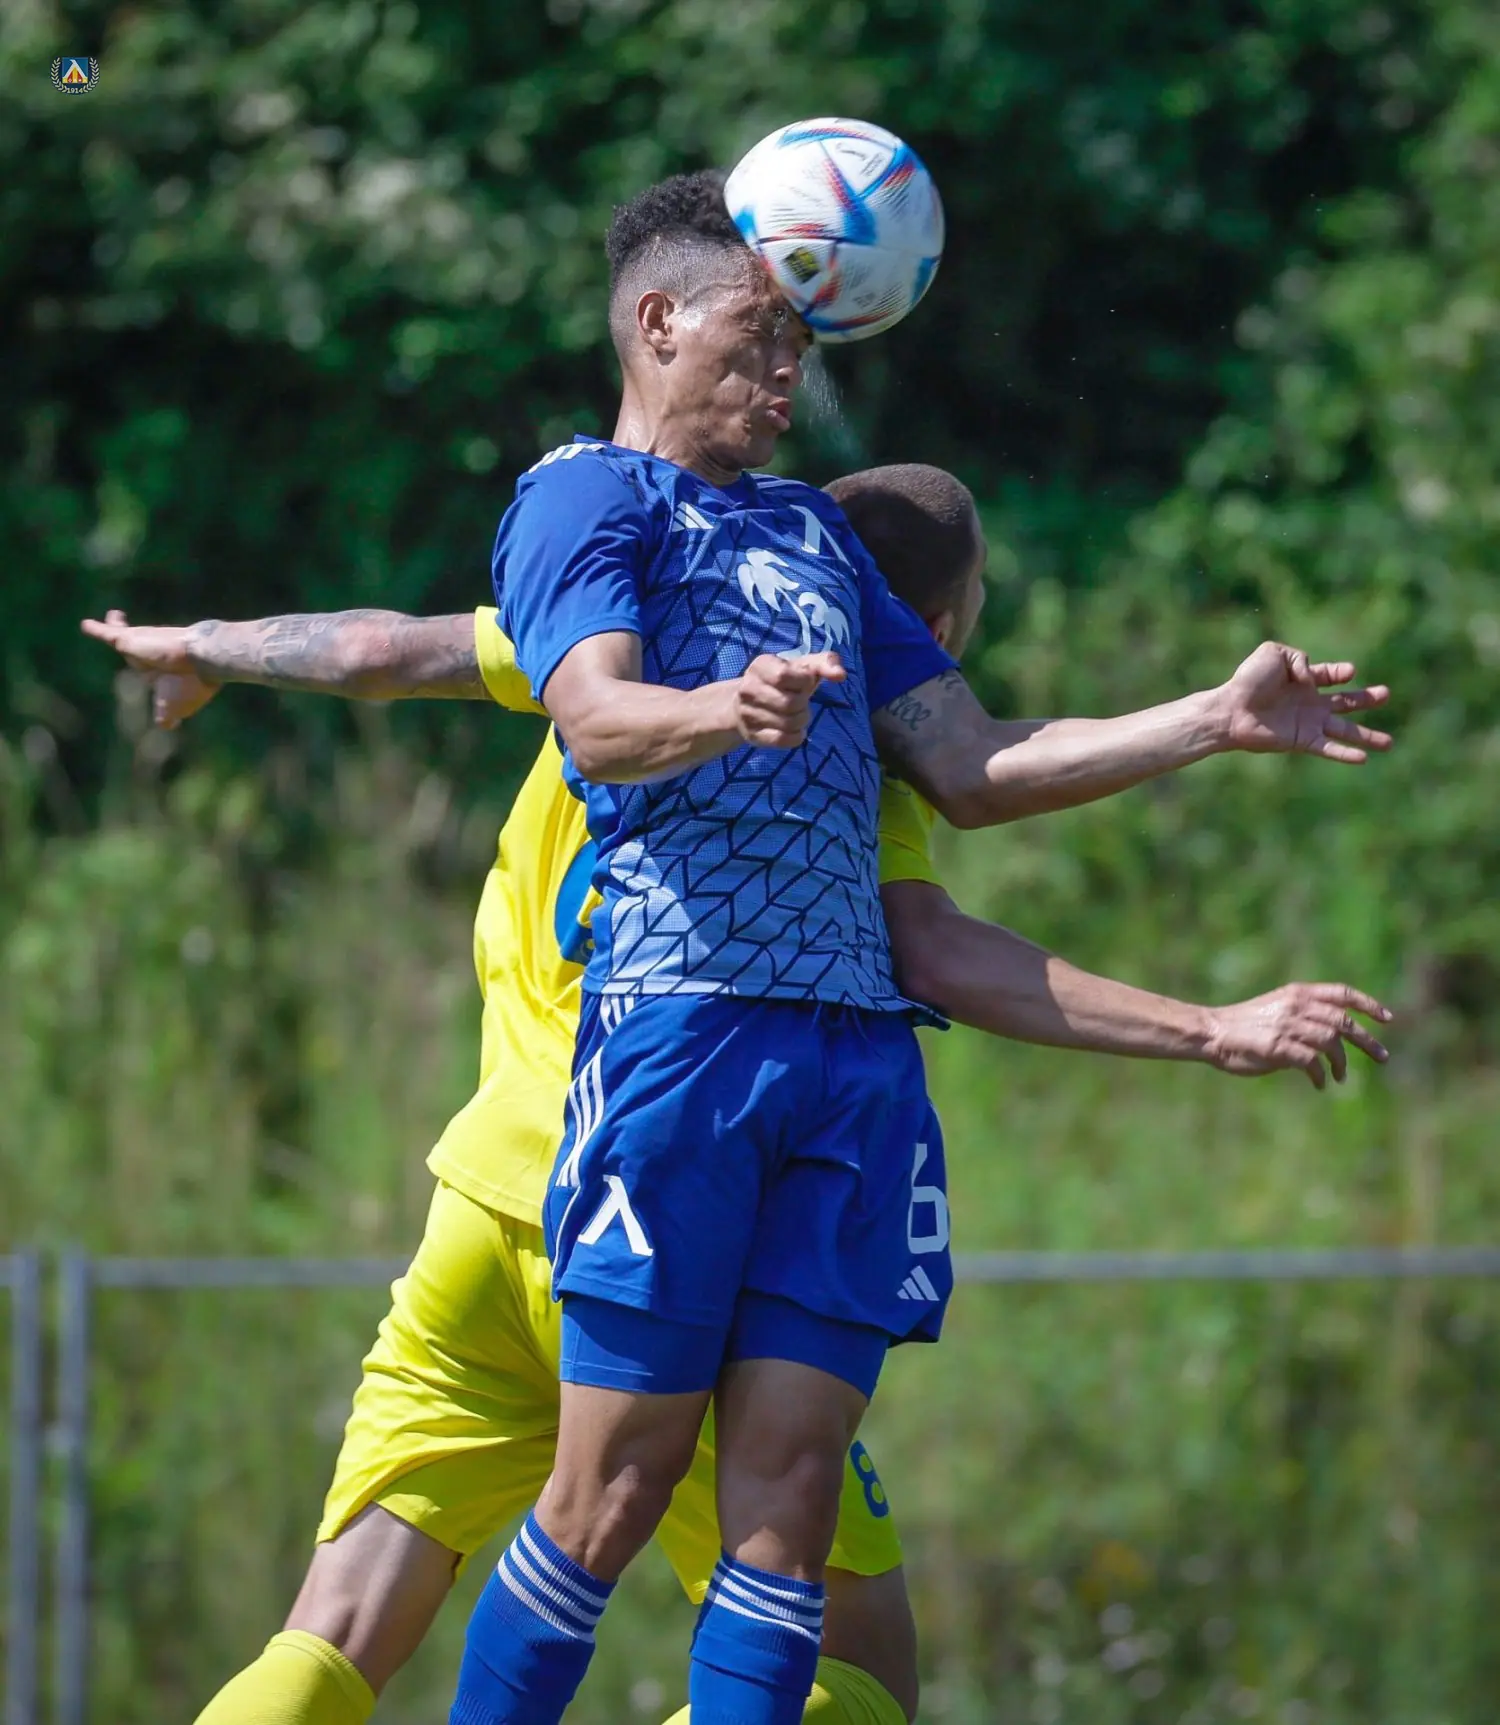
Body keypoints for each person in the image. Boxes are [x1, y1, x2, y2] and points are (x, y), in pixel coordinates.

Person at [83, 472, 1391, 1725]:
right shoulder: (839, 759)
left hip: (484, 1211)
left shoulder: (611, 632)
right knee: (858, 1658)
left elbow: (377, 649)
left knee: (336, 1627)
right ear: (930, 633)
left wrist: (201, 646)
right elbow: (935, 944)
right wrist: (1212, 1025)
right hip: (674, 1191)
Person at [442, 165, 1389, 1725]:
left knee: (790, 1507)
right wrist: (724, 708)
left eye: (802, 345)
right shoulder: (583, 500)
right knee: (612, 1492)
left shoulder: (819, 535)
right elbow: (597, 718)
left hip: (855, 1070)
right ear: (658, 322)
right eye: (758, 335)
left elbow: (971, 760)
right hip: (683, 1037)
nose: (788, 370)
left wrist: (1209, 721)